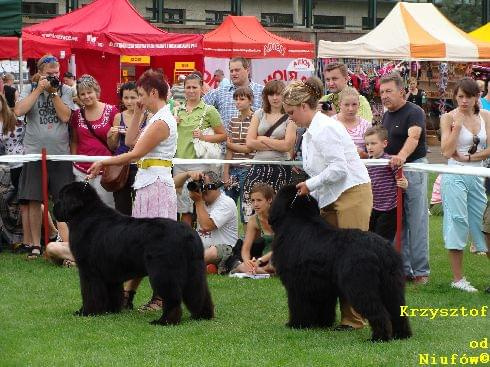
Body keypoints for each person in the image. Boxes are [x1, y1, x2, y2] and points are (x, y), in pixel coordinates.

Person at [282, 77, 372, 331]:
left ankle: (354, 319)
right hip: (333, 197)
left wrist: (309, 186)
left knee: (351, 259)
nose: (291, 118)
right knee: (333, 259)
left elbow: (339, 169)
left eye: (291, 113)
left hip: (352, 193)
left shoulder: (325, 129)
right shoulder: (312, 131)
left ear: (303, 106)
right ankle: (333, 315)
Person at [87, 68, 178, 312]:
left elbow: (135, 153)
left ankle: (160, 297)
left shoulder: (162, 121)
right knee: (141, 243)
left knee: (156, 244)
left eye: (140, 94)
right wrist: (138, 113)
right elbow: (129, 142)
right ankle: (128, 294)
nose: (138, 99)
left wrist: (104, 162)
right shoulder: (154, 116)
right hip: (148, 183)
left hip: (157, 184)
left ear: (153, 92)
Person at [14, 54, 75, 259]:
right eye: (49, 74)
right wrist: (40, 89)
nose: (54, 76)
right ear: (40, 73)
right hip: (33, 152)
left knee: (62, 199)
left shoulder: (66, 90)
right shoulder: (29, 89)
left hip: (59, 154)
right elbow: (19, 111)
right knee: (33, 199)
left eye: (56, 73)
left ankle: (66, 244)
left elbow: (66, 117)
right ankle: (34, 244)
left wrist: (54, 93)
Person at [439, 77, 490, 292]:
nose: (464, 101)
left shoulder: (486, 116)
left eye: (468, 96)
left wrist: (471, 158)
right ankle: (458, 279)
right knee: (457, 221)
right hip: (454, 175)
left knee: (484, 225)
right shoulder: (448, 118)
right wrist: (457, 127)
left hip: (477, 174)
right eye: (460, 96)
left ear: (477, 96)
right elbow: (446, 151)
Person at [380, 71, 430, 285]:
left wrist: (401, 156)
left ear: (402, 92)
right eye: (381, 92)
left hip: (413, 168)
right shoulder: (386, 115)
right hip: (392, 171)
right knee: (397, 220)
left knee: (416, 219)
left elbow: (414, 136)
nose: (384, 96)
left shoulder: (414, 111)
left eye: (388, 91)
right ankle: (404, 268)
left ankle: (421, 271)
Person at [173, 72, 226, 225]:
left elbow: (223, 136)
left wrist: (204, 137)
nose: (191, 90)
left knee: (203, 205)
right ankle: (186, 245)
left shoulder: (209, 110)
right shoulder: (176, 111)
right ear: (183, 89)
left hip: (201, 164)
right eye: (188, 87)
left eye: (194, 87)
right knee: (184, 210)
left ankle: (204, 241)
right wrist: (172, 124)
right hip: (180, 164)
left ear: (201, 88)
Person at [242, 80, 296, 222]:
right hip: (258, 165)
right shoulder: (259, 114)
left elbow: (287, 146)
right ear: (266, 96)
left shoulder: (291, 116)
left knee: (278, 210)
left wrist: (263, 139)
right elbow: (249, 142)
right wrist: (277, 142)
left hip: (280, 167)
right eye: (271, 94)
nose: (275, 98)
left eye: (278, 94)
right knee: (250, 206)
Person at [70, 75, 118, 208]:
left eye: (89, 92)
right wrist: (74, 160)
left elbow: (117, 142)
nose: (86, 96)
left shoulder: (112, 111)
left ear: (96, 91)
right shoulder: (77, 115)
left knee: (106, 207)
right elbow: (74, 140)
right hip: (81, 170)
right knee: (84, 207)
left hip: (105, 169)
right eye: (82, 94)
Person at [107, 82, 149, 215]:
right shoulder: (118, 117)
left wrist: (132, 137)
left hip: (141, 165)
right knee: (121, 206)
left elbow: (150, 143)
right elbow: (113, 146)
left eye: (133, 97)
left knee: (142, 206)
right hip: (121, 166)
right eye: (126, 98)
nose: (129, 101)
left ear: (140, 97)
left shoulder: (149, 116)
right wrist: (111, 136)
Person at [188, 170, 238, 275]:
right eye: (199, 186)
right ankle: (205, 266)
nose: (202, 191)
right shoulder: (201, 202)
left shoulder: (226, 202)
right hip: (202, 250)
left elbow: (207, 226)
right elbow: (176, 184)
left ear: (216, 186)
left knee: (212, 252)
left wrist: (198, 202)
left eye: (204, 187)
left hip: (225, 250)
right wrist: (188, 175)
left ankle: (187, 265)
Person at [364, 126, 408, 242]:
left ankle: (384, 260)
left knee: (382, 241)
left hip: (389, 208)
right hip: (373, 207)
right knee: (370, 238)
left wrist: (404, 184)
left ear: (384, 143)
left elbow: (401, 180)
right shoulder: (367, 162)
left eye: (373, 143)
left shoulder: (390, 161)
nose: (369, 147)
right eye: (367, 144)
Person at [204, 57, 264, 131]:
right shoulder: (220, 92)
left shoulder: (261, 91)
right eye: (231, 71)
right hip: (226, 141)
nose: (233, 73)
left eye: (237, 70)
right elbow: (199, 107)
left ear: (247, 70)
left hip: (252, 141)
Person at [223, 86, 254, 224]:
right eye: (236, 99)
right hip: (233, 169)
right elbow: (228, 149)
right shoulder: (233, 121)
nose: (238, 102)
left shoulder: (255, 119)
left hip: (248, 169)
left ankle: (248, 243)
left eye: (242, 99)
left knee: (246, 211)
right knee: (228, 208)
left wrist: (231, 145)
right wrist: (225, 172)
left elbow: (250, 147)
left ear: (250, 100)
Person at [231, 183, 275, 275]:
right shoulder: (254, 220)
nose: (255, 204)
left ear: (269, 200)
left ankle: (263, 271)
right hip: (263, 259)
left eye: (259, 200)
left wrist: (259, 261)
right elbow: (246, 248)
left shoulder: (280, 217)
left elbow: (282, 248)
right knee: (243, 265)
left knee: (274, 264)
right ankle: (263, 271)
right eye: (253, 200)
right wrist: (248, 262)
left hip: (278, 255)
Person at [333, 87, 371, 158]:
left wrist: (363, 154)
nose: (350, 109)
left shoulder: (366, 125)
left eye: (354, 104)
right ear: (339, 104)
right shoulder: (331, 123)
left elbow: (373, 153)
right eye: (346, 105)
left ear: (359, 104)